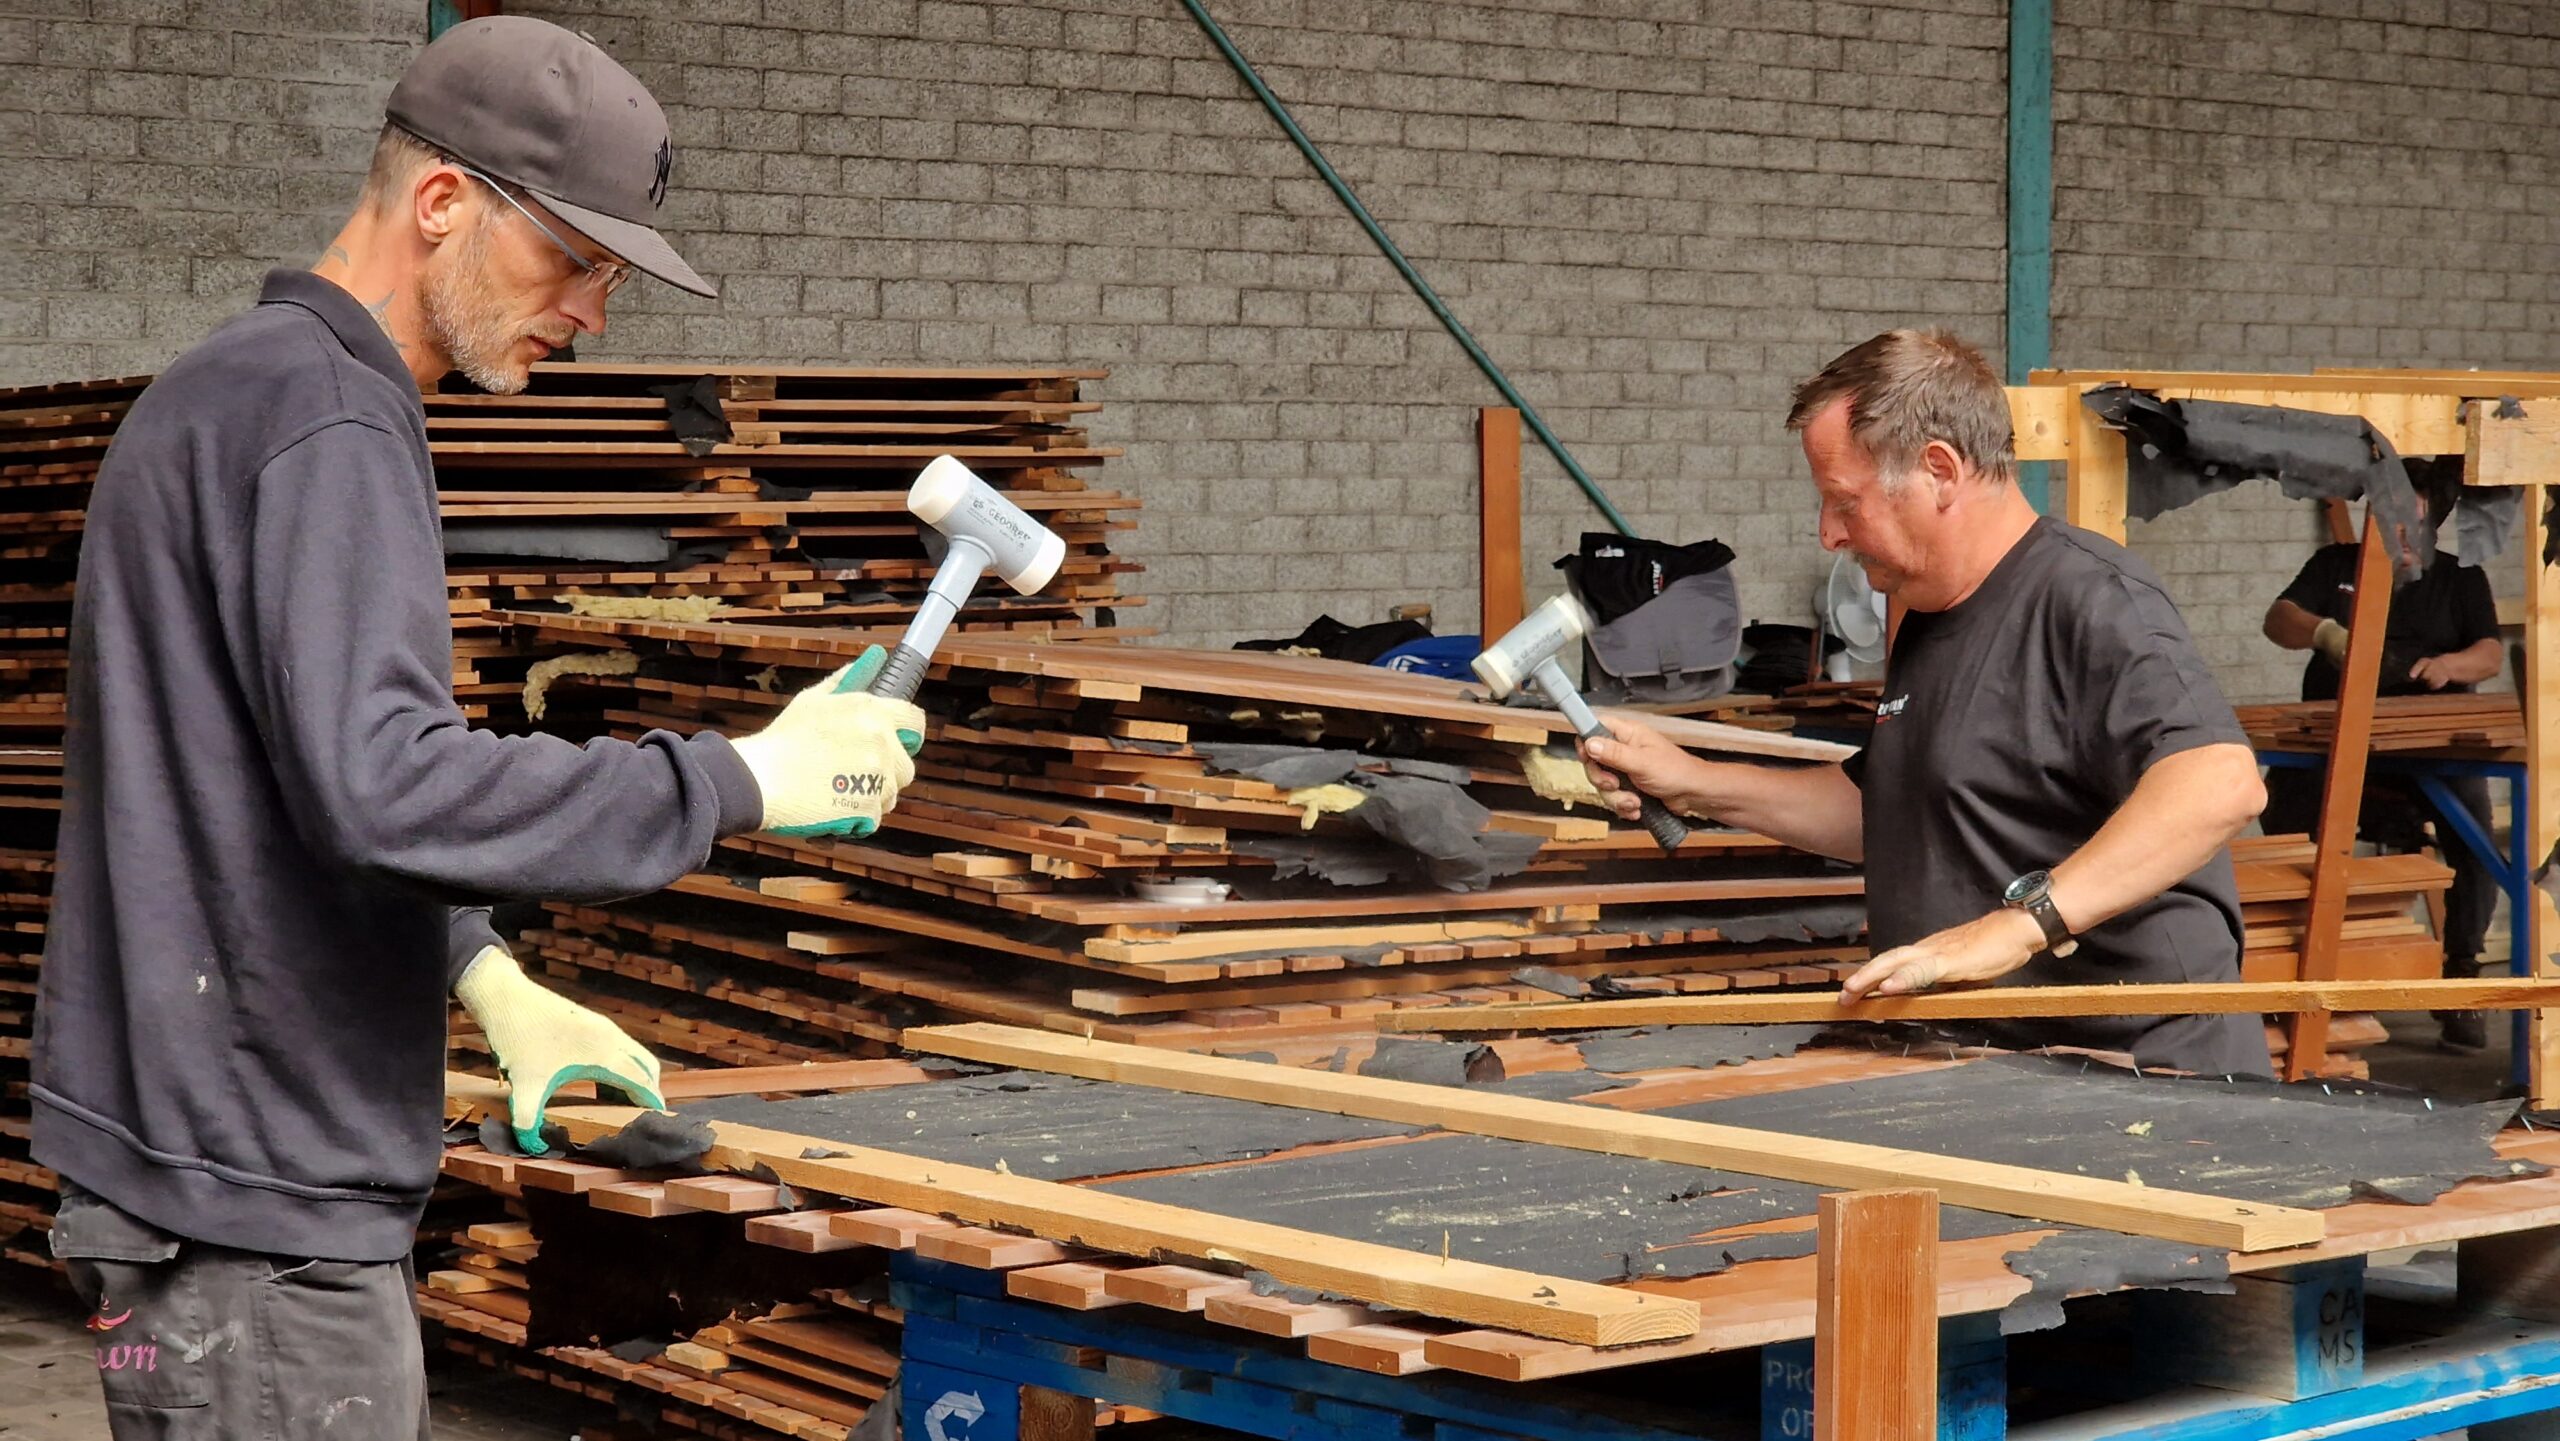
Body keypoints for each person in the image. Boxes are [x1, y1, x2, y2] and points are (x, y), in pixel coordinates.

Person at [32, 18, 923, 1438]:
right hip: (260, 1218)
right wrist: (744, 775)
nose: (592, 313)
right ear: (443, 202)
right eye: (573, 261)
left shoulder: (233, 391)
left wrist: (487, 977)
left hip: (201, 1185)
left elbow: (256, 780)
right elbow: (381, 786)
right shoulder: (329, 423)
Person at [1583, 330, 2272, 1077]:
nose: (1828, 532)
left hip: (2141, 1073)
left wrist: (2018, 926)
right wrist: (1691, 779)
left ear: (1939, 471)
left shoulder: (2092, 597)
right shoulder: (1920, 608)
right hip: (1992, 1067)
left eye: (1845, 501)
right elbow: (1893, 808)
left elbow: (2219, 783)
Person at [2261, 462, 2504, 1050]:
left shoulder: (2460, 577)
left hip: (2427, 741)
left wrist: (2450, 667)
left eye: (2412, 521)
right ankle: (2277, 976)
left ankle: (2461, 979)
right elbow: (2278, 619)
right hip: (2331, 738)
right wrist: (2326, 635)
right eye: (2388, 516)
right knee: (2278, 826)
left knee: (2477, 844)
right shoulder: (2334, 566)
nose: (2399, 531)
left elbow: (2491, 653)